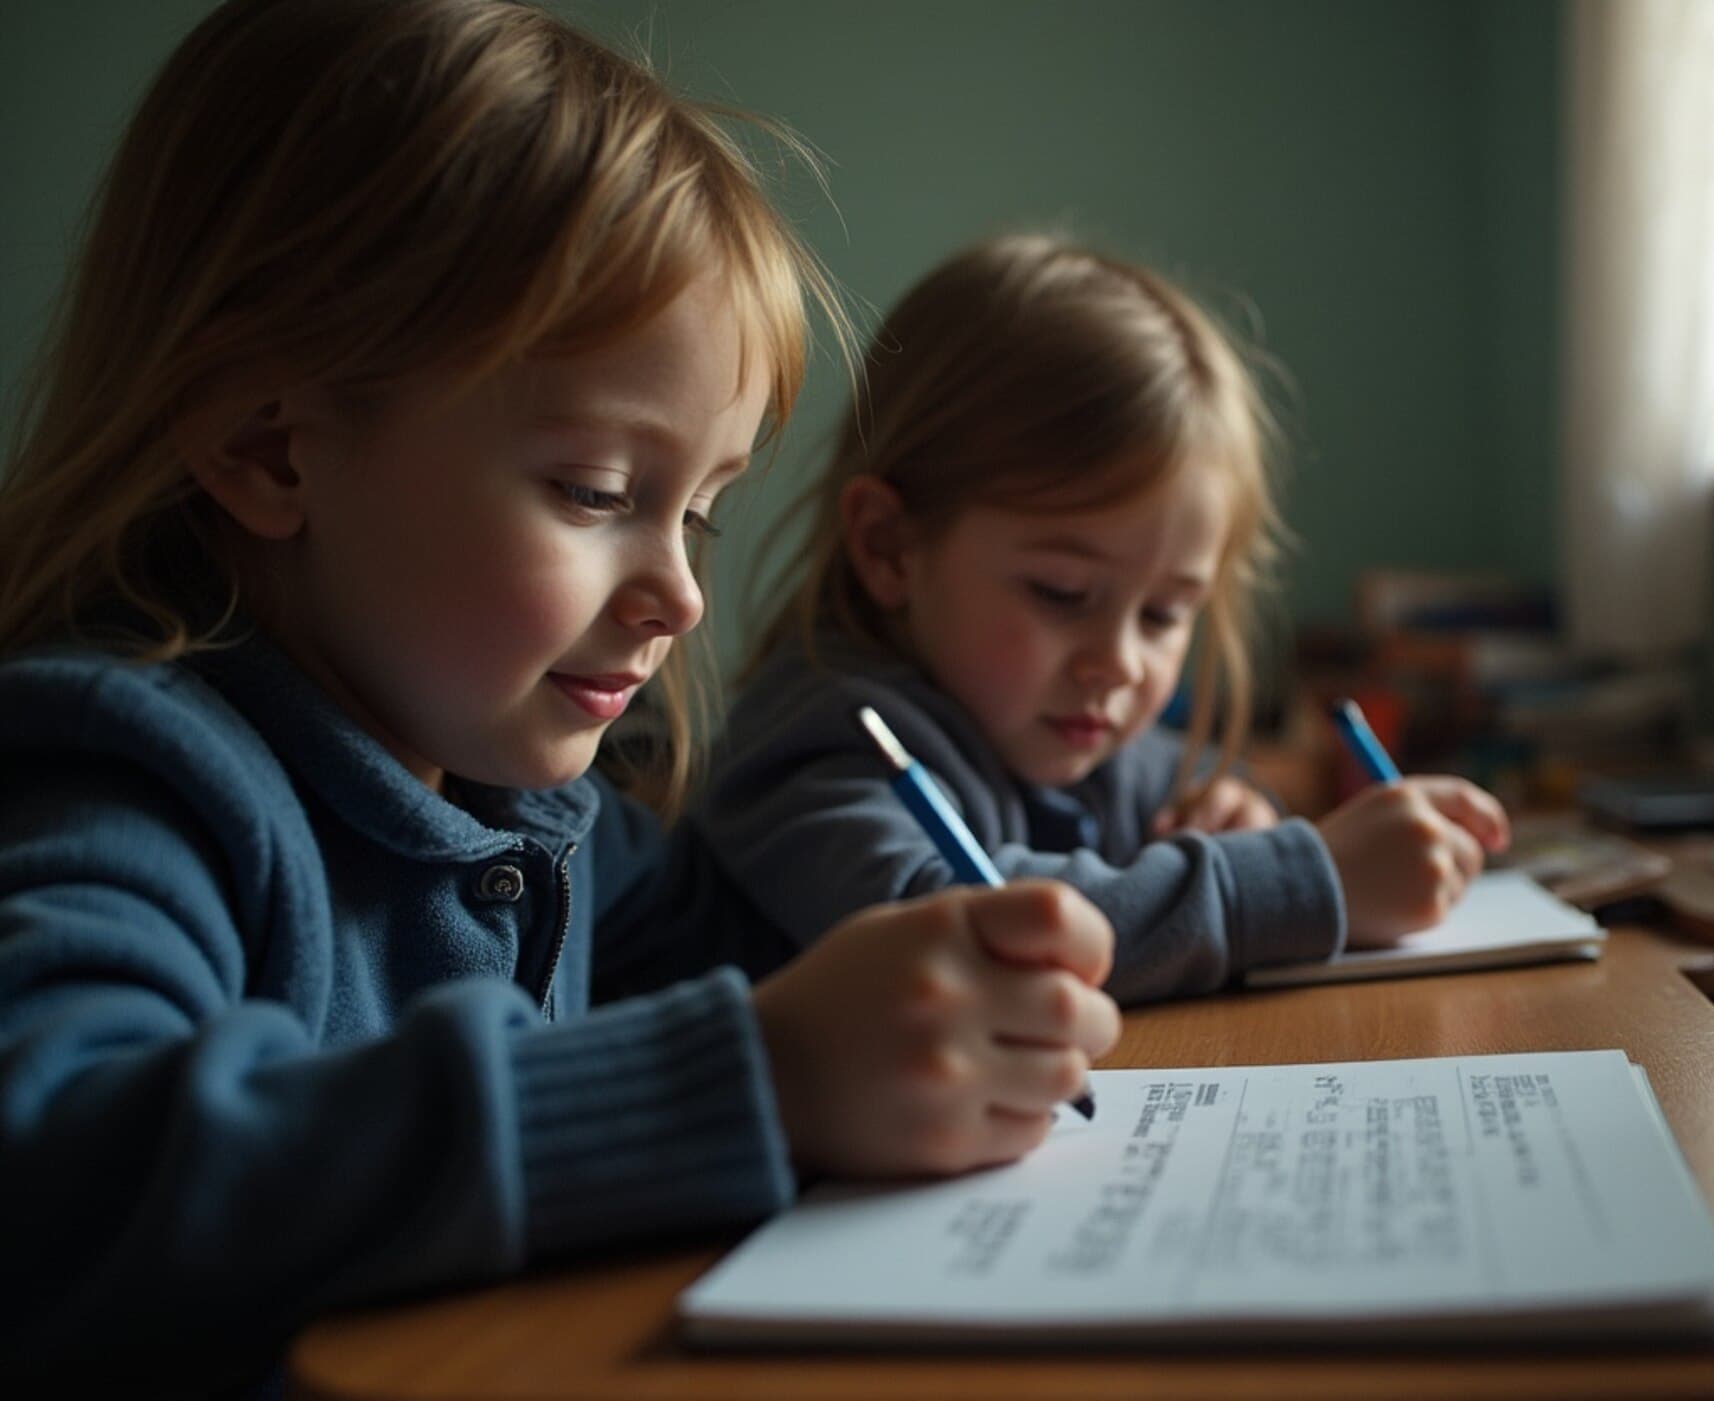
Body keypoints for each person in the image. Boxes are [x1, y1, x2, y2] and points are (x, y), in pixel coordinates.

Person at [0, 3, 1117, 1389]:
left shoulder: (513, 797)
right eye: (597, 492)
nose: (682, 594)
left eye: (699, 517)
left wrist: (1090, 885)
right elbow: (51, 1176)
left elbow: (757, 917)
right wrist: (756, 1079)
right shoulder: (128, 779)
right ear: (265, 448)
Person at [692, 234, 1512, 1005]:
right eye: (1060, 591)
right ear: (890, 547)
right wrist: (1298, 880)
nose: (1118, 663)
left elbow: (1178, 794)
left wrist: (1233, 816)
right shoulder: (821, 748)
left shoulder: (1070, 737)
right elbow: (963, 931)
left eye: (1163, 613)